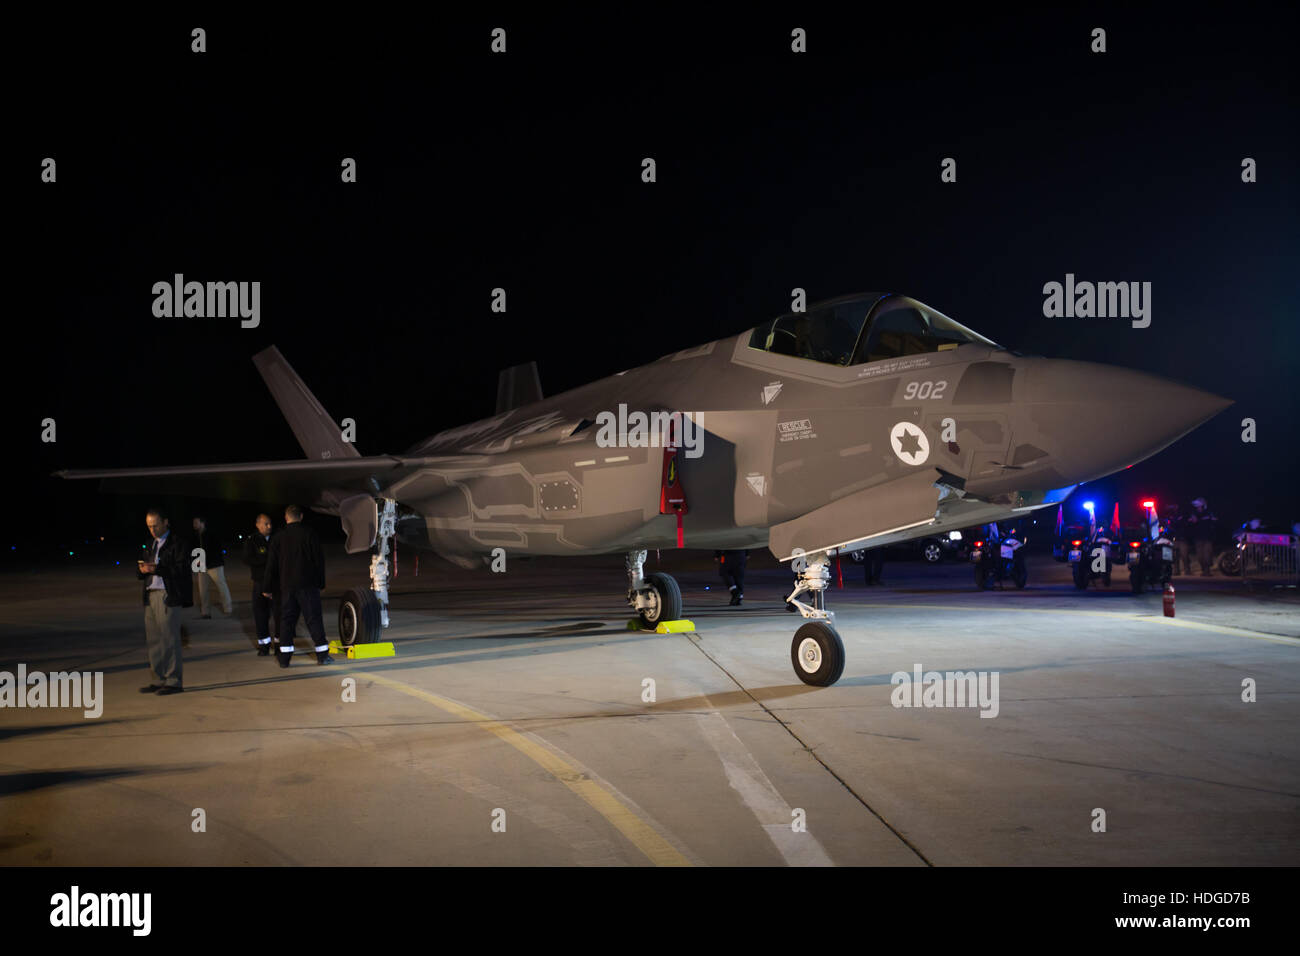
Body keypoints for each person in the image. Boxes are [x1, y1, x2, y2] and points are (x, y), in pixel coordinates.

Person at [262, 504, 334, 666]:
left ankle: (284, 659)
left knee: (286, 621)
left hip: (287, 587)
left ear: (286, 518)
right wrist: (320, 583)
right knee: (313, 619)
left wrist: (267, 588)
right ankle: (322, 655)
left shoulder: (278, 537)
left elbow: (271, 565)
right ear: (301, 517)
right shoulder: (310, 534)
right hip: (307, 586)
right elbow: (318, 561)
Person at [136, 508, 192, 695]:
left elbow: (181, 570)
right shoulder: (149, 544)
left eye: (155, 525)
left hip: (168, 595)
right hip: (150, 594)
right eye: (149, 526)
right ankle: (159, 678)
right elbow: (139, 569)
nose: (152, 529)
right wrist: (142, 570)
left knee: (169, 639)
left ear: (166, 522)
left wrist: (158, 569)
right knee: (154, 640)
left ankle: (174, 681)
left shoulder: (178, 543)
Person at [243, 513, 279, 656]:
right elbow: (247, 559)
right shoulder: (252, 541)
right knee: (260, 615)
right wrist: (267, 561)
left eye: (270, 523)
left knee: (279, 615)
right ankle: (264, 645)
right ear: (258, 525)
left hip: (276, 584)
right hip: (260, 583)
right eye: (266, 524)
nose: (269, 526)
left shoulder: (277, 538)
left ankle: (279, 644)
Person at [191, 515, 233, 618]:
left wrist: (203, 559)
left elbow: (215, 550)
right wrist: (196, 561)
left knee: (221, 586)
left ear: (202, 523)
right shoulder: (195, 536)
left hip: (214, 565)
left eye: (196, 522)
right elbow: (194, 551)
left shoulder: (211, 534)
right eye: (194, 523)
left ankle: (228, 609)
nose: (194, 525)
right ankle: (205, 612)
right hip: (202, 566)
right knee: (203, 590)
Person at [1187, 497, 1218, 575]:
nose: (1197, 506)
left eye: (1198, 505)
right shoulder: (1194, 513)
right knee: (1200, 556)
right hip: (1198, 538)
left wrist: (1210, 519)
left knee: (1207, 554)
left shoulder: (1209, 512)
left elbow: (1215, 520)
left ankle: (1207, 571)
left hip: (1208, 537)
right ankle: (1204, 569)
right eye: (1196, 505)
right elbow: (1192, 521)